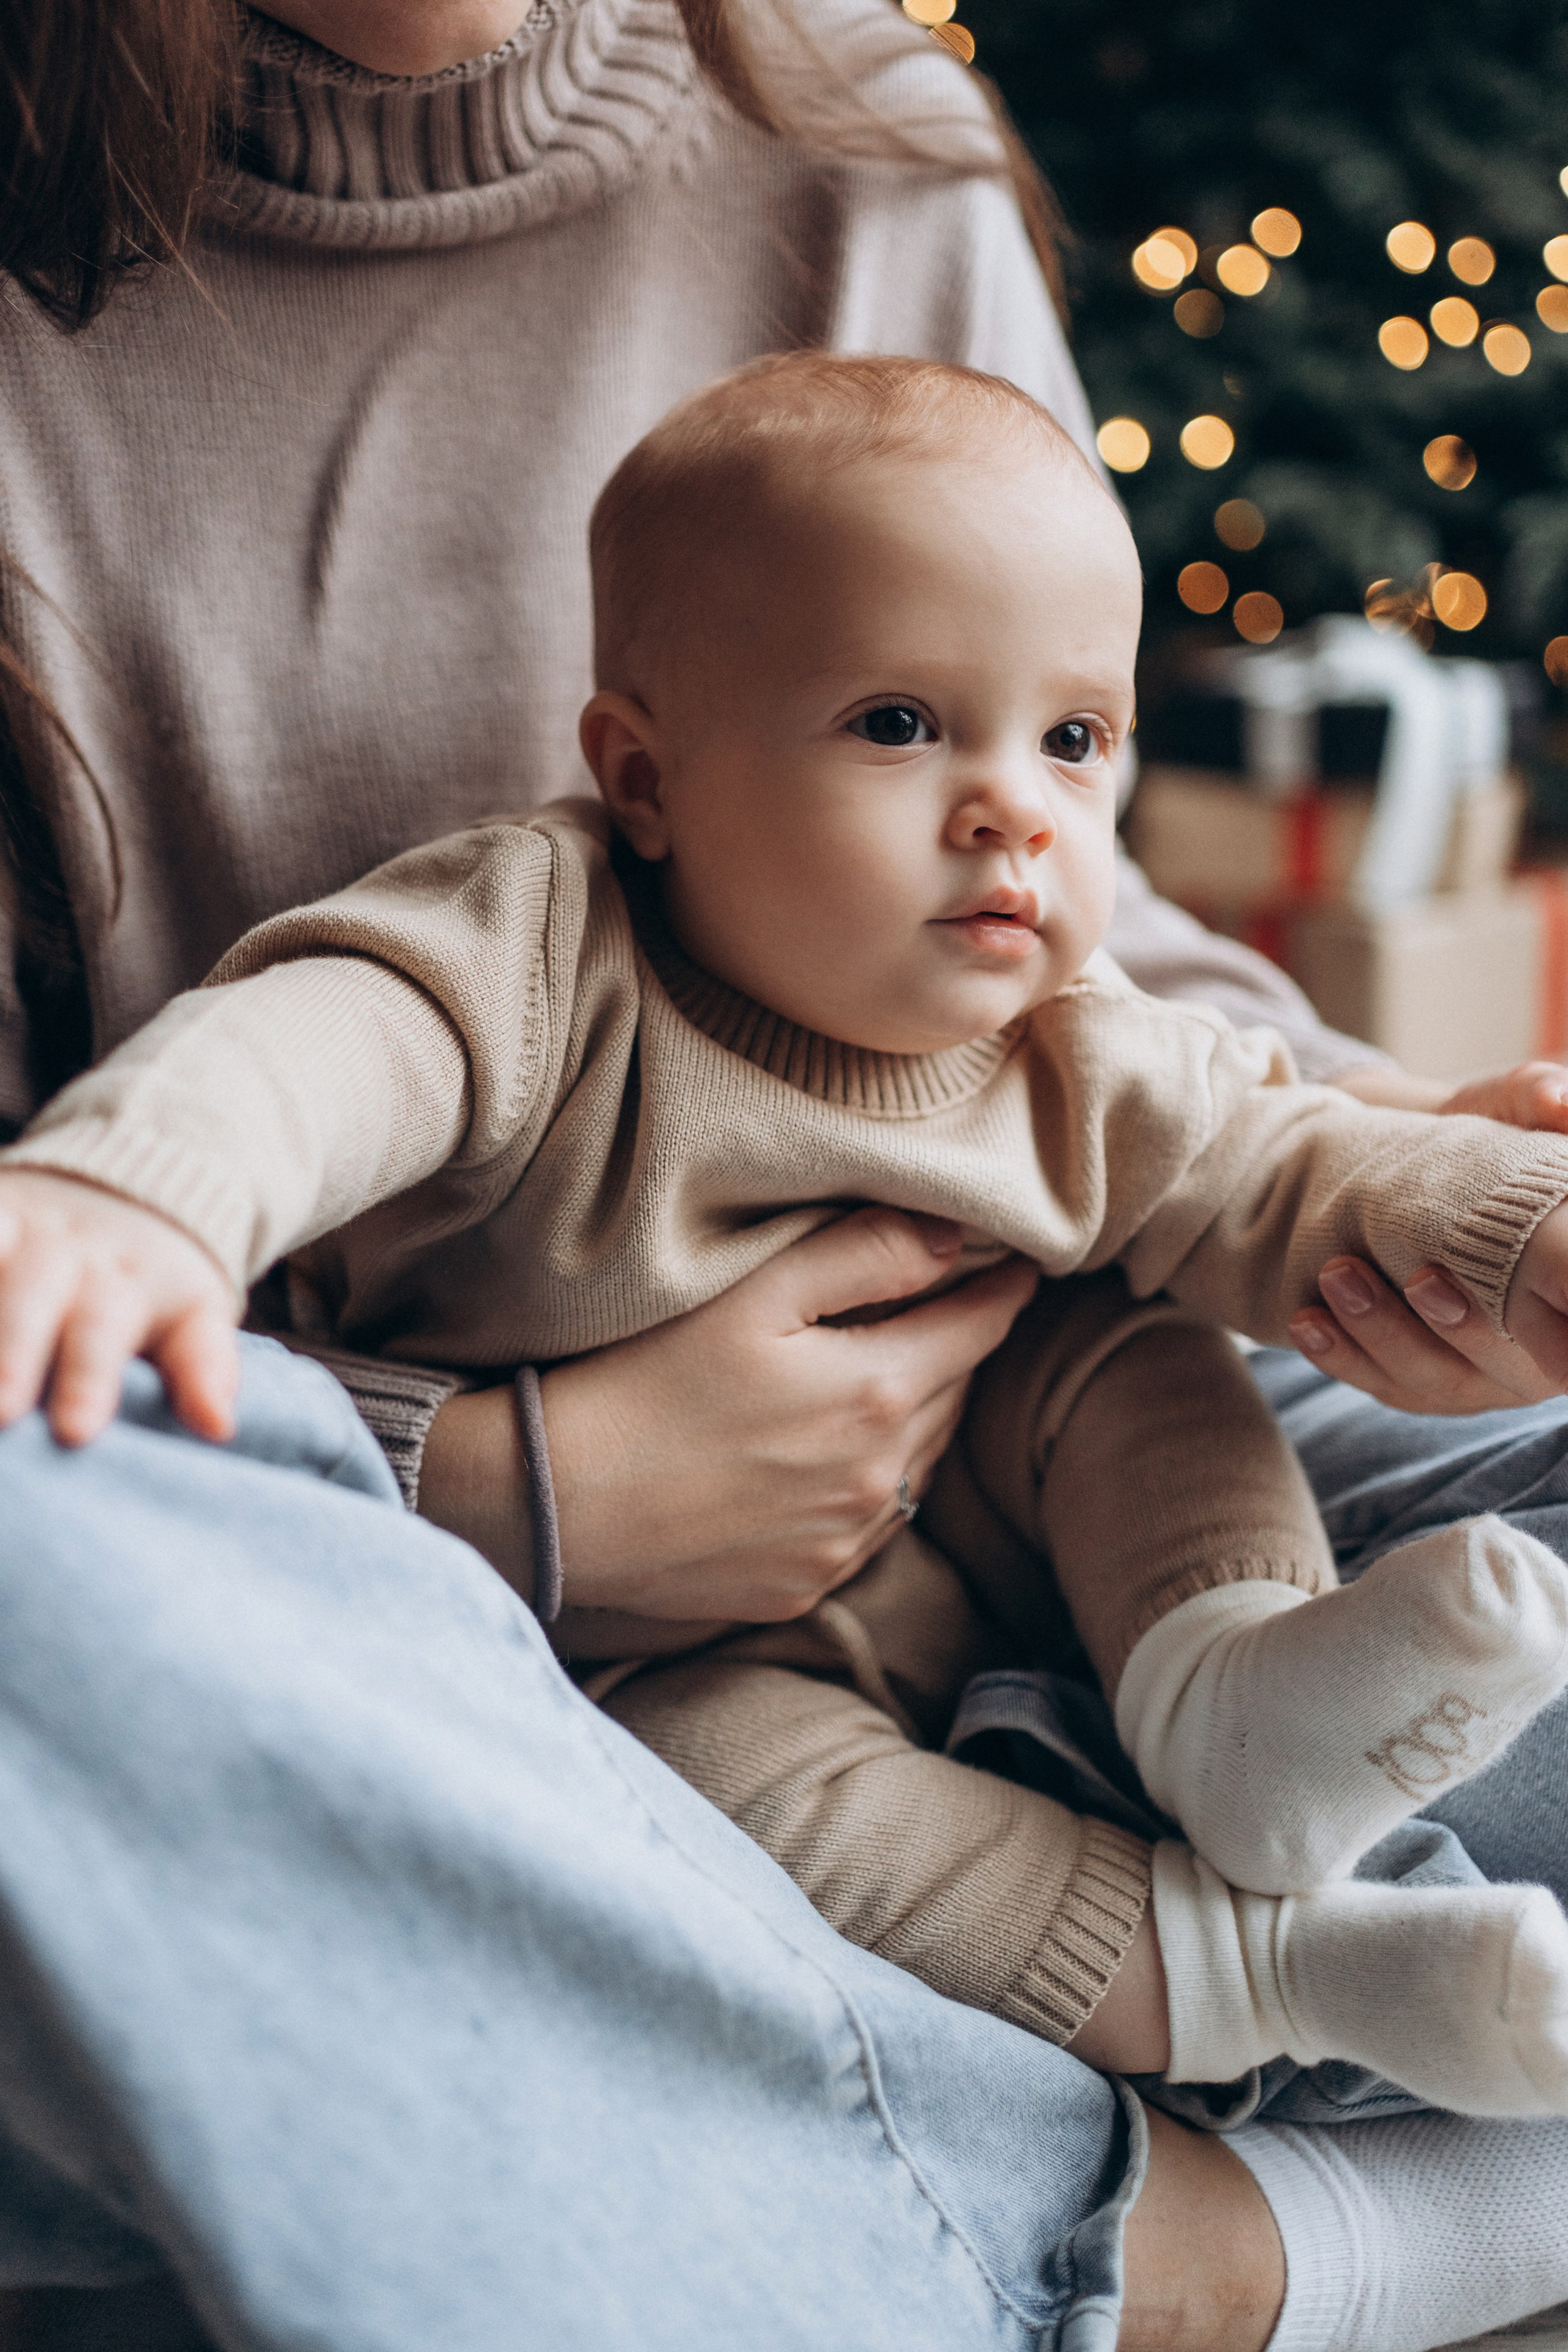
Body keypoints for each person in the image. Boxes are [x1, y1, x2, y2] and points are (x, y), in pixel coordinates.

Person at [0, 3, 1566, 2347]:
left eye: (1069, 745)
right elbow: (309, 1058)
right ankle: (1200, 2224)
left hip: (1050, 1454)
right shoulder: (527, 942)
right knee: (59, 1586)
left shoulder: (859, 125)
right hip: (417, 1571)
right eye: (906, 730)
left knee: (1181, 1384)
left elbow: (1172, 1065)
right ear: (634, 775)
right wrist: (500, 1474)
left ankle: (1211, 1755)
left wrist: (1461, 1202)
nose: (1015, 799)